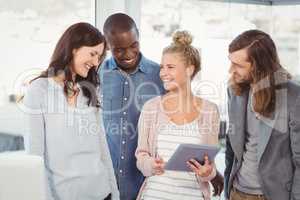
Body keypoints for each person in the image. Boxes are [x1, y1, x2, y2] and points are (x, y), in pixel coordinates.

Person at [23, 22, 119, 200]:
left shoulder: (88, 91)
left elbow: (102, 148)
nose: (96, 62)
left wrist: (115, 194)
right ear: (74, 48)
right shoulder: (39, 89)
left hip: (102, 193)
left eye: (99, 57)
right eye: (93, 54)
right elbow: (35, 156)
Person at [135, 30, 221, 200]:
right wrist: (150, 164)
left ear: (189, 69)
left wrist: (208, 172)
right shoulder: (151, 108)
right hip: (154, 195)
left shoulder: (209, 110)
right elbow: (141, 157)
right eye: (162, 67)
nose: (163, 73)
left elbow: (209, 167)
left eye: (170, 67)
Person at [224, 29, 300, 200]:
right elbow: (232, 144)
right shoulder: (234, 91)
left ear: (259, 65)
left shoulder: (294, 96)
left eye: (238, 65)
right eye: (231, 62)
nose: (231, 70)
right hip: (237, 192)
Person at [98, 13, 165, 200]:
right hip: (105, 183)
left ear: (139, 36)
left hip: (145, 184)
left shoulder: (160, 75)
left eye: (133, 45)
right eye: (118, 49)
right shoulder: (96, 74)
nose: (128, 54)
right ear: (107, 44)